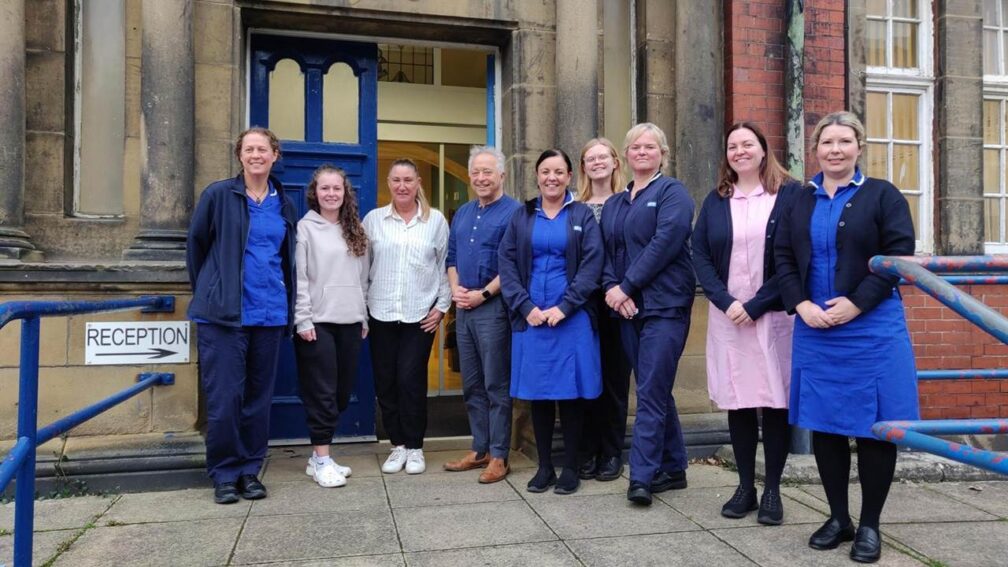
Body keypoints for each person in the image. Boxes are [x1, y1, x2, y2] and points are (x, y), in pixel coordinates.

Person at [775, 111, 917, 563]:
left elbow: (899, 256)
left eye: (844, 141)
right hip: (816, 327)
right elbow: (781, 255)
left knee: (875, 428)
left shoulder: (883, 195)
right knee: (826, 425)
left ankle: (870, 524)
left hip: (871, 328)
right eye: (827, 142)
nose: (835, 150)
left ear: (859, 146)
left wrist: (856, 303)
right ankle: (838, 518)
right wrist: (800, 304)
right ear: (815, 149)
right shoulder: (799, 198)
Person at [692, 122, 800, 524]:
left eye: (747, 144)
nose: (739, 151)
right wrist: (726, 301)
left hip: (773, 316)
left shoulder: (789, 195)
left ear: (763, 149)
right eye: (732, 146)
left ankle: (772, 490)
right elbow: (700, 254)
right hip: (729, 317)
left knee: (774, 402)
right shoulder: (717, 199)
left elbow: (796, 258)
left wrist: (756, 305)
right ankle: (744, 488)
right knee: (738, 401)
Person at [186, 127, 298, 504]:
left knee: (257, 400)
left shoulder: (284, 202)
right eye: (249, 149)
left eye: (262, 149)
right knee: (224, 400)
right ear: (239, 156)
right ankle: (224, 473)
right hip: (224, 317)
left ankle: (250, 470)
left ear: (275, 155)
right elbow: (197, 247)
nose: (255, 155)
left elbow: (286, 258)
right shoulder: (219, 195)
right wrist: (213, 289)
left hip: (269, 314)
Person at [600, 123, 695, 506]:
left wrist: (626, 286)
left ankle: (641, 476)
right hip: (627, 310)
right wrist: (613, 290)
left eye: (650, 147)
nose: (641, 152)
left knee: (651, 391)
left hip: (665, 306)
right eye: (635, 147)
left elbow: (664, 243)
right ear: (625, 155)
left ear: (662, 154)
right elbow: (604, 252)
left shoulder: (673, 193)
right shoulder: (615, 203)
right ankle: (674, 467)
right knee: (655, 387)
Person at [499, 149, 603, 495]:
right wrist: (524, 306)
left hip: (571, 319)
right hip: (532, 320)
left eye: (559, 172)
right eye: (545, 171)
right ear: (537, 176)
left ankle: (570, 467)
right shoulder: (522, 215)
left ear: (570, 176)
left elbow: (592, 264)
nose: (552, 178)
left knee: (571, 394)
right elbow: (506, 262)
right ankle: (544, 467)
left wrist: (566, 306)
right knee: (539, 395)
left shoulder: (582, 214)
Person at [363, 159, 451, 476]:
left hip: (419, 316)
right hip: (381, 313)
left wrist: (442, 307)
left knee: (410, 381)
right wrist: (361, 311)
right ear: (389, 182)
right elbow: (362, 269)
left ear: (417, 184)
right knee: (386, 382)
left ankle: (415, 447)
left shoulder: (435, 221)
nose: (402, 186)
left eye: (408, 180)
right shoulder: (373, 220)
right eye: (397, 180)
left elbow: (444, 266)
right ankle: (397, 445)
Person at [443, 146, 521, 483]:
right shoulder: (463, 213)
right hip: (464, 309)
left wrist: (483, 294)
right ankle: (480, 449)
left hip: (493, 309)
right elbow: (451, 257)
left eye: (487, 171)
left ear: (501, 174)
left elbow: (513, 264)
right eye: (475, 172)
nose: (480, 178)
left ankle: (499, 455)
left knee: (495, 384)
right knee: (471, 384)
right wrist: (456, 289)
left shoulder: (515, 213)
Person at [293, 165, 369, 488]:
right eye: (325, 188)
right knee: (322, 393)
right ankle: (323, 458)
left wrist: (363, 316)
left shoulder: (356, 229)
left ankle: (317, 458)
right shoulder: (305, 229)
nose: (331, 193)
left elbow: (362, 279)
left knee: (340, 394)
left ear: (345, 192)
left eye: (337, 188)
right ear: (315, 192)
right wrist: (303, 318)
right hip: (317, 323)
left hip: (350, 320)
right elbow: (300, 277)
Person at [575, 138, 633, 482]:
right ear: (583, 166)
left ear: (615, 162)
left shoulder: (627, 202)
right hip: (582, 304)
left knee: (614, 380)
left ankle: (611, 453)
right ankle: (586, 451)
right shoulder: (574, 206)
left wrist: (623, 290)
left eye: (603, 157)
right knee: (584, 378)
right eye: (590, 158)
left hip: (617, 302)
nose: (597, 163)